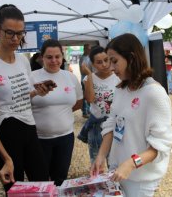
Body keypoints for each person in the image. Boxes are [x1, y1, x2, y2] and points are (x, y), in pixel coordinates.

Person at [0, 4, 50, 192]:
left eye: (20, 33)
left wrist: (37, 92)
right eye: (10, 33)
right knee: (16, 191)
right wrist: (6, 158)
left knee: (42, 185)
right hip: (6, 133)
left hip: (29, 128)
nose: (16, 39)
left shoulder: (23, 60)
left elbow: (21, 97)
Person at [91, 34, 172, 197]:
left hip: (140, 180)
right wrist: (101, 156)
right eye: (109, 61)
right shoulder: (121, 89)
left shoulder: (154, 94)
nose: (111, 67)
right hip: (118, 172)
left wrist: (131, 163)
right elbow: (112, 124)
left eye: (114, 61)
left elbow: (160, 145)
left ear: (132, 58)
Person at [30, 39, 83, 186]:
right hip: (38, 139)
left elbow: (79, 101)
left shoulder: (70, 77)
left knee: (60, 179)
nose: (54, 60)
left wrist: (61, 112)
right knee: (39, 180)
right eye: (49, 57)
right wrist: (35, 94)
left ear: (62, 56)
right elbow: (22, 104)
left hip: (65, 138)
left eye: (57, 56)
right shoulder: (32, 77)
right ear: (41, 57)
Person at [77, 46, 120, 163]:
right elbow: (90, 99)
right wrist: (90, 75)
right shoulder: (88, 78)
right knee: (96, 164)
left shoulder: (118, 77)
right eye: (99, 62)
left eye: (106, 60)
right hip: (96, 126)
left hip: (115, 125)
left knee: (114, 163)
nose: (104, 64)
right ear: (93, 64)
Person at [79, 43, 92, 118]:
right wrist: (90, 72)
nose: (90, 50)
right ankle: (85, 111)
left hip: (89, 78)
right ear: (85, 49)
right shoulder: (83, 58)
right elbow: (82, 70)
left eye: (90, 49)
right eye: (88, 49)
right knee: (85, 95)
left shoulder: (89, 57)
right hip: (84, 79)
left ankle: (88, 111)